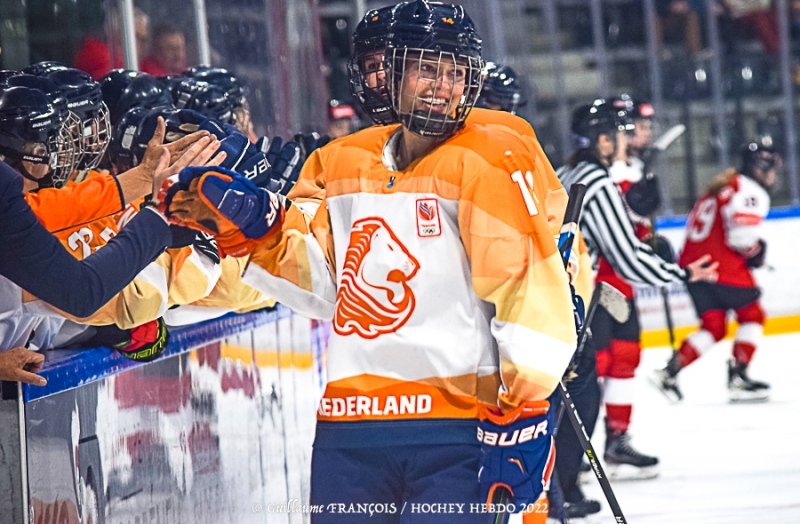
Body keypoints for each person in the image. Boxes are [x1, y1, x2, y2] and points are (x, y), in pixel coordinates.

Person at [164, 1, 576, 521]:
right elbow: (328, 290)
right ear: (391, 71)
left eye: (457, 71)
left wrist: (526, 406)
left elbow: (527, 292)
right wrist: (255, 234)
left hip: (458, 424)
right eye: (428, 69)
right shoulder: (340, 161)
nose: (443, 85)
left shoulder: (490, 157)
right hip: (351, 424)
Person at [555, 100, 718, 513]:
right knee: (584, 392)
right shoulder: (596, 179)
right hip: (577, 298)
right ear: (602, 139)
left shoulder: (566, 171)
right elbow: (626, 255)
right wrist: (680, 273)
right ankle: (562, 487)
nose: (625, 139)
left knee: (579, 389)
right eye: (618, 133)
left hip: (556, 296)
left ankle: (562, 481)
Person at [652, 142, 779, 403]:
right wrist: (756, 252)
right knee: (753, 315)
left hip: (692, 268)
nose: (774, 176)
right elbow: (742, 238)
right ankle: (738, 377)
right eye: (771, 170)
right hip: (720, 266)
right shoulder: (749, 190)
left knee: (714, 326)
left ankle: (669, 371)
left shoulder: (721, 186)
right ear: (760, 168)